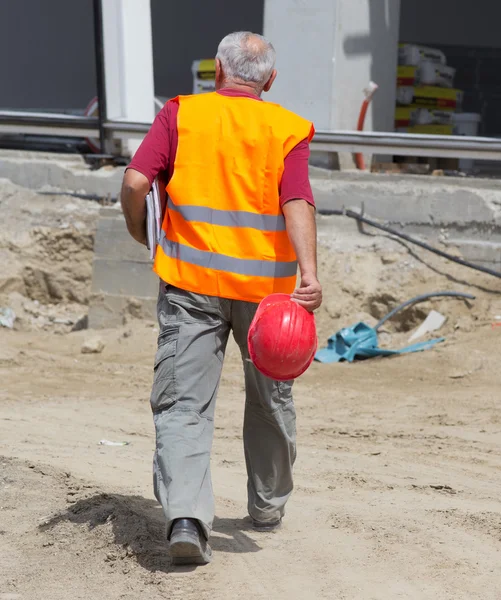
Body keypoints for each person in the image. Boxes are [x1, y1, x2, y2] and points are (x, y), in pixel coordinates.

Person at [120, 31, 322, 566]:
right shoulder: (287, 127)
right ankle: (268, 506)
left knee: (184, 403)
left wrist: (141, 232)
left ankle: (186, 517)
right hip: (268, 300)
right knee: (271, 401)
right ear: (270, 81)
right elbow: (297, 198)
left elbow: (137, 179)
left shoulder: (181, 114)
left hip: (191, 287)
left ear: (216, 72)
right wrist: (309, 273)